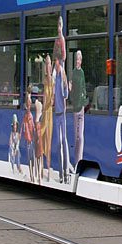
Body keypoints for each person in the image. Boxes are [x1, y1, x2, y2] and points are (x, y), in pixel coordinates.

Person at [53, 48, 70, 182]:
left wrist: (66, 86)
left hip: (61, 114)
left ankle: (65, 172)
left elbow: (65, 95)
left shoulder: (62, 78)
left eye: (56, 63)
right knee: (58, 143)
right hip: (56, 114)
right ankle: (60, 172)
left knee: (63, 142)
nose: (55, 65)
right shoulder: (55, 78)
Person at [69, 50, 87, 170]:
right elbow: (71, 88)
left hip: (81, 107)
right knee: (76, 136)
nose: (78, 61)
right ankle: (76, 160)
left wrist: (84, 100)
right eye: (76, 59)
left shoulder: (82, 73)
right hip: (75, 107)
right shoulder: (73, 73)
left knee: (80, 136)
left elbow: (84, 87)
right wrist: (73, 99)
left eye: (79, 59)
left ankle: (79, 160)